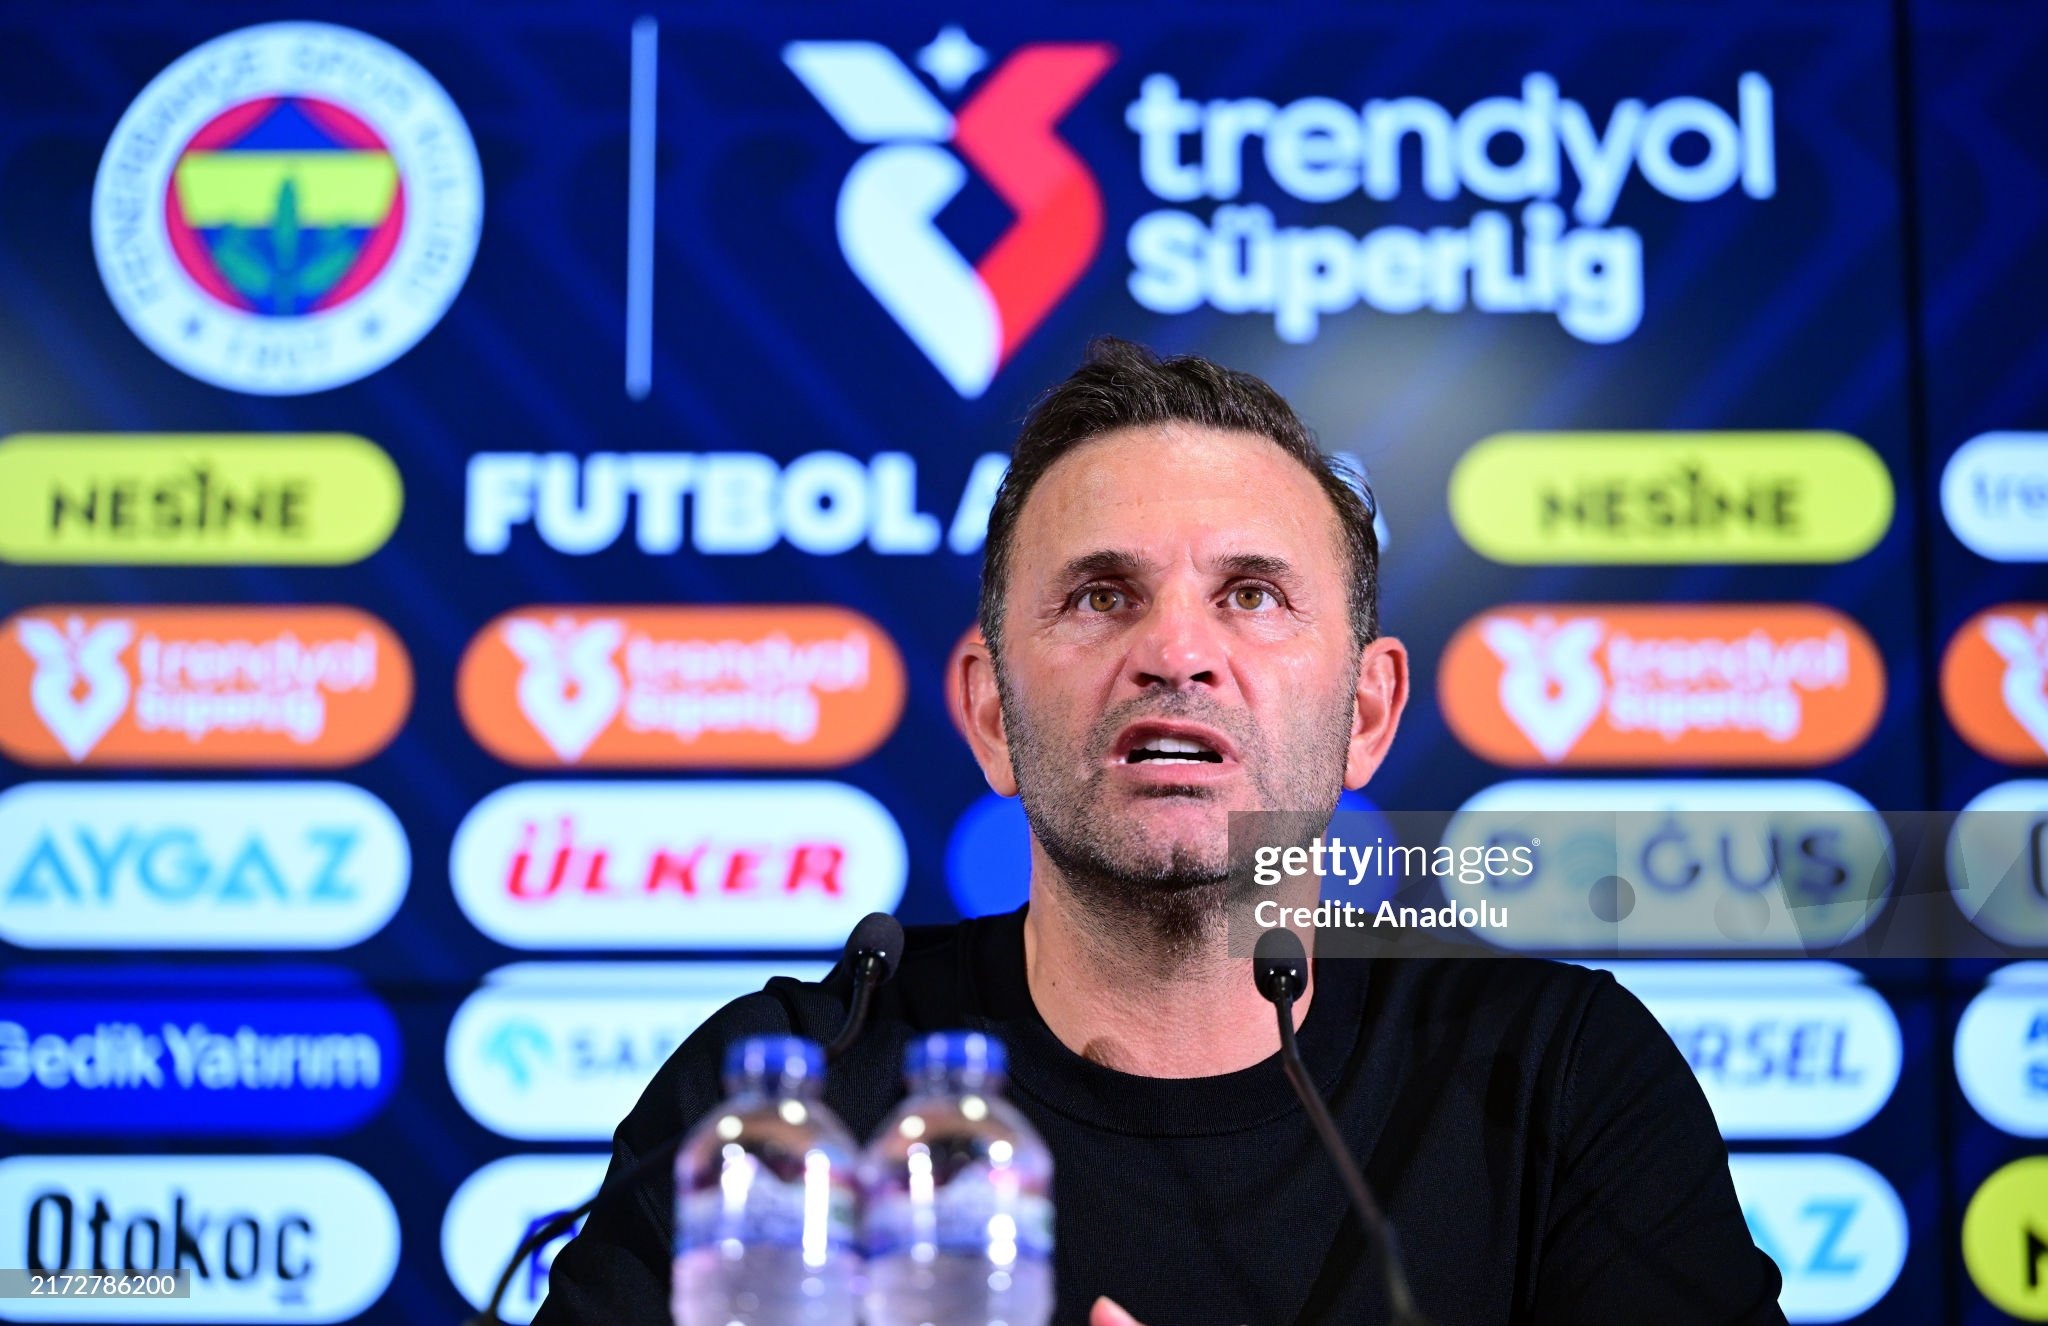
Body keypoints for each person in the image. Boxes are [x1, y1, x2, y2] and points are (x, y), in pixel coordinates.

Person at [532, 338, 1787, 1326]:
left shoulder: (1557, 1077)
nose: (1176, 654)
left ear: (1365, 714)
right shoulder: (785, 1097)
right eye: (1098, 595)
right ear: (988, 713)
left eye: (1249, 596)